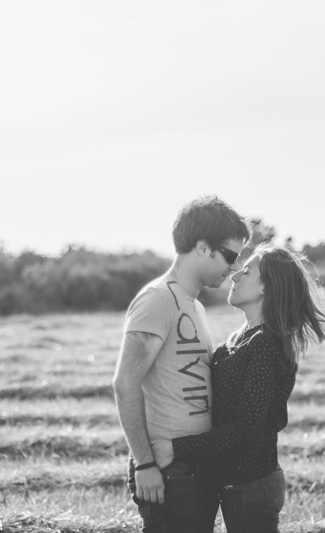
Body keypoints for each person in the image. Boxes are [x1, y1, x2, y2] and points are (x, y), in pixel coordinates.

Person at [151, 244, 325, 533]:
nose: (235, 276)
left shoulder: (264, 344)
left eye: (247, 271)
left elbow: (246, 428)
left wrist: (175, 448)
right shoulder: (240, 338)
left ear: (265, 287)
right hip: (234, 481)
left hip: (252, 484)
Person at [112, 196, 252, 533]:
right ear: (203, 247)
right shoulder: (158, 298)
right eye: (231, 256)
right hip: (169, 469)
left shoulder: (195, 306)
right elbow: (125, 383)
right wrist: (145, 463)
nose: (234, 268)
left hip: (193, 464)